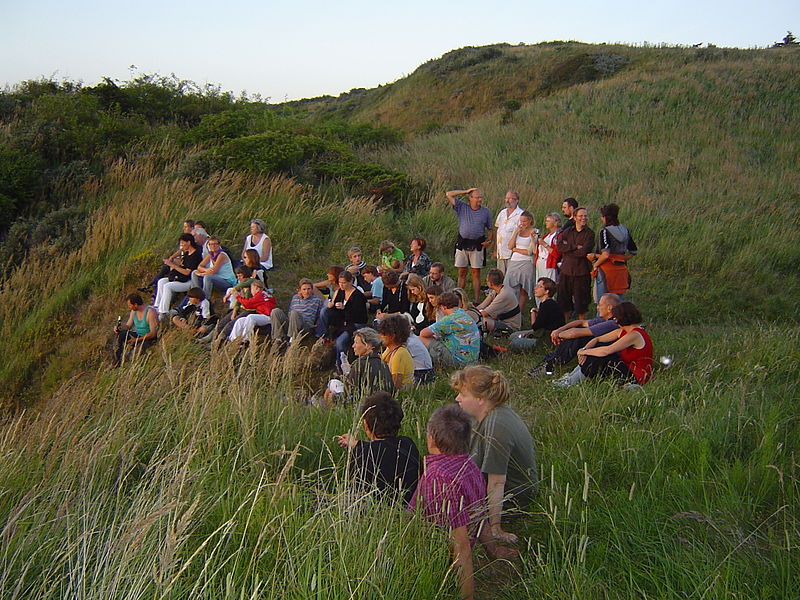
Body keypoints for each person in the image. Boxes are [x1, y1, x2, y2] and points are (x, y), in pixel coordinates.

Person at [409, 405, 517, 600]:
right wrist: (492, 549)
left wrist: (467, 596)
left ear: (431, 438)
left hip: (432, 553)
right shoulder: (470, 465)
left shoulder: (438, 477)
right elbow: (480, 514)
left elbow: (461, 544)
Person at [452, 366, 538, 543]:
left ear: (481, 399)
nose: (457, 398)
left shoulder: (496, 427)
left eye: (463, 394)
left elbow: (497, 482)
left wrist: (495, 527)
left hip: (512, 497)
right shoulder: (489, 414)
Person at [336, 392, 420, 504]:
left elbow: (354, 497)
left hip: (377, 515)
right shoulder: (407, 444)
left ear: (366, 424)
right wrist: (356, 445)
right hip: (409, 513)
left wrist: (357, 449)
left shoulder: (363, 455)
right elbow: (384, 449)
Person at [555, 302, 653, 388]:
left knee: (600, 357)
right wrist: (585, 349)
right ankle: (570, 377)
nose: (615, 321)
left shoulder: (634, 335)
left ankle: (570, 382)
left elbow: (607, 350)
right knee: (597, 350)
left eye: (616, 318)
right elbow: (597, 339)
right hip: (625, 368)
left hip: (636, 375)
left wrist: (584, 351)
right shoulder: (621, 331)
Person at [527, 293, 621, 376]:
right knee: (577, 333)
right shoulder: (604, 319)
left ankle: (552, 363)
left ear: (609, 308)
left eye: (600, 305)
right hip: (598, 350)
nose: (597, 307)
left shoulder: (612, 324)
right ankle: (552, 361)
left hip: (611, 357)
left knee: (579, 337)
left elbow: (575, 333)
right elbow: (580, 322)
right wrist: (559, 330)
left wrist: (559, 335)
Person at [446, 188, 494, 303]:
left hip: (477, 244)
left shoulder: (485, 212)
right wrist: (465, 191)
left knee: (475, 273)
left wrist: (489, 240)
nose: (479, 199)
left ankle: (477, 300)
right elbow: (448, 194)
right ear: (470, 198)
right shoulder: (462, 207)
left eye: (480, 197)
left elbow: (490, 229)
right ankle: (458, 298)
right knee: (462, 272)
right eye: (477, 197)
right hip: (462, 243)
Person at [324, 328, 394, 406]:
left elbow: (350, 395)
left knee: (332, 383)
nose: (353, 346)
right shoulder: (383, 364)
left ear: (367, 345)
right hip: (383, 407)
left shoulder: (360, 364)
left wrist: (334, 398)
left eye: (356, 343)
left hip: (363, 407)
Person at [588, 203, 637, 301]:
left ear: (605, 217)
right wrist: (620, 259)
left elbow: (605, 255)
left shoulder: (605, 231)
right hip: (621, 271)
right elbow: (633, 251)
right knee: (617, 302)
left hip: (606, 270)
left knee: (602, 302)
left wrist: (595, 264)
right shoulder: (625, 230)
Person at [419, 291, 480, 368]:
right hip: (471, 360)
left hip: (459, 361)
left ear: (443, 307)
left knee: (420, 339)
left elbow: (423, 333)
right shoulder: (463, 314)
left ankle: (422, 365)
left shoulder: (450, 319)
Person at [556, 207, 595, 322]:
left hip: (581, 272)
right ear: (575, 217)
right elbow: (560, 247)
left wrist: (568, 250)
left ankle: (582, 327)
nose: (584, 218)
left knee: (581, 302)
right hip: (566, 271)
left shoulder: (589, 234)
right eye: (581, 216)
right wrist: (574, 247)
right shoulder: (567, 232)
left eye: (585, 216)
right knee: (564, 300)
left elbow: (584, 252)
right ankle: (564, 326)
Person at [509, 277, 565, 353]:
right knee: (513, 336)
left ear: (547, 291)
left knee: (514, 343)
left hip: (546, 340)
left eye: (540, 287)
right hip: (544, 334)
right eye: (536, 286)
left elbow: (535, 327)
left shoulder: (547, 305)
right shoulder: (548, 304)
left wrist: (533, 312)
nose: (535, 288)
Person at [139, 220, 196, 293]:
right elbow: (182, 250)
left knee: (166, 268)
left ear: (192, 228)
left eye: (186, 227)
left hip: (185, 268)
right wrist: (172, 257)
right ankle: (153, 286)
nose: (184, 229)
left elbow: (185, 251)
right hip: (182, 262)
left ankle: (152, 285)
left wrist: (174, 262)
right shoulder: (185, 238)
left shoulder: (192, 239)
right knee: (165, 269)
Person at [327, 270, 368, 371]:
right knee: (325, 311)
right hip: (343, 322)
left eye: (344, 282)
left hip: (355, 323)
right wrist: (332, 305)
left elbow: (359, 315)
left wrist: (344, 308)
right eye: (340, 282)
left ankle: (343, 369)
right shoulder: (340, 292)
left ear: (350, 282)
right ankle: (324, 335)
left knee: (340, 342)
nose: (341, 285)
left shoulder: (358, 296)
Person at [153, 234, 203, 317]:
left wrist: (173, 265)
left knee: (168, 286)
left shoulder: (195, 256)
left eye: (183, 244)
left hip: (188, 281)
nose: (182, 246)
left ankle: (163, 311)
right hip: (182, 278)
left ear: (189, 243)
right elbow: (180, 256)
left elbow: (187, 272)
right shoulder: (187, 254)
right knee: (162, 281)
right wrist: (173, 259)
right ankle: (157, 306)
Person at [270, 278, 325, 343]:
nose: (306, 291)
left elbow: (320, 315)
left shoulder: (317, 299)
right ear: (300, 290)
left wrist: (318, 329)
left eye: (309, 289)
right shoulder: (295, 297)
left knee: (294, 313)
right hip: (292, 324)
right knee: (275, 311)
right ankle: (278, 338)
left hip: (306, 326)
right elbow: (290, 312)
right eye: (304, 289)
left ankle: (292, 341)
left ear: (312, 289)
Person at [504, 211, 537, 314]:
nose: (522, 223)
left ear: (530, 221)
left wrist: (515, 249)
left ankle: (520, 312)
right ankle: (509, 309)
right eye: (521, 221)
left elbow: (530, 252)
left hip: (526, 262)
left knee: (524, 289)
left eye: (524, 221)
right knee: (509, 285)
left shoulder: (534, 232)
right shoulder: (517, 231)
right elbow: (509, 246)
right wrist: (515, 232)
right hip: (515, 261)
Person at [113, 293, 159, 366]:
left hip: (148, 338)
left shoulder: (150, 312)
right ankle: (117, 360)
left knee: (135, 354)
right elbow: (128, 325)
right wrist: (120, 328)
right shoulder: (134, 312)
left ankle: (129, 358)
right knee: (119, 335)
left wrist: (137, 340)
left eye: (130, 305)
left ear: (136, 304)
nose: (129, 307)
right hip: (137, 335)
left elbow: (153, 334)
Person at [226, 279, 277, 344]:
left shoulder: (261, 294)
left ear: (256, 288)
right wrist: (242, 298)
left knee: (251, 317)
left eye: (252, 289)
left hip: (269, 317)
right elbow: (249, 305)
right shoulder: (264, 294)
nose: (251, 292)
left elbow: (248, 304)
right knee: (240, 320)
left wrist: (238, 297)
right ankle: (233, 340)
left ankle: (245, 339)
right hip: (263, 315)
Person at [473, 269, 521, 334]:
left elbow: (484, 313)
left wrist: (469, 315)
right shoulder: (498, 289)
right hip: (500, 320)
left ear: (491, 283)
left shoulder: (503, 295)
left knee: (481, 321)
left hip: (510, 326)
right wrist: (472, 310)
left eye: (487, 280)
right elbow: (482, 305)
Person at [376, 314, 414, 390]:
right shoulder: (389, 349)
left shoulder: (399, 354)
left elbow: (395, 385)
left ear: (392, 336)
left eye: (383, 334)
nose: (379, 336)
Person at [494, 190, 524, 275]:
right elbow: (497, 231)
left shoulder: (520, 215)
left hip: (512, 253)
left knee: (511, 277)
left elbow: (522, 234)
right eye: (506, 198)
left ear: (517, 200)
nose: (507, 201)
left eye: (510, 199)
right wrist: (495, 249)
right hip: (501, 252)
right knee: (500, 277)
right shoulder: (502, 213)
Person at [536, 212, 562, 284]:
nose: (546, 223)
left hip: (549, 263)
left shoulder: (559, 236)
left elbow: (557, 254)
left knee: (548, 284)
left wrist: (544, 244)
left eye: (548, 221)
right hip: (540, 262)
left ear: (555, 222)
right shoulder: (547, 235)